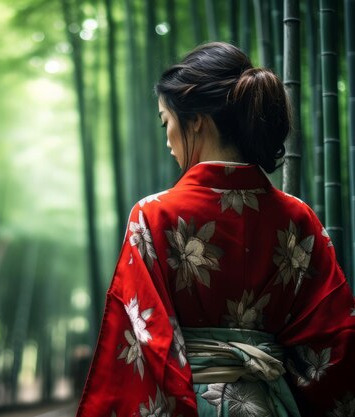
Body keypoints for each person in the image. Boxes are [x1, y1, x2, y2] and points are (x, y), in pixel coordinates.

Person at [76, 42, 355, 417]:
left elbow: (144, 344)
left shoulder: (154, 215)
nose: (167, 140)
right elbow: (335, 342)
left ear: (196, 121)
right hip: (273, 405)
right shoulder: (299, 219)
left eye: (166, 122)